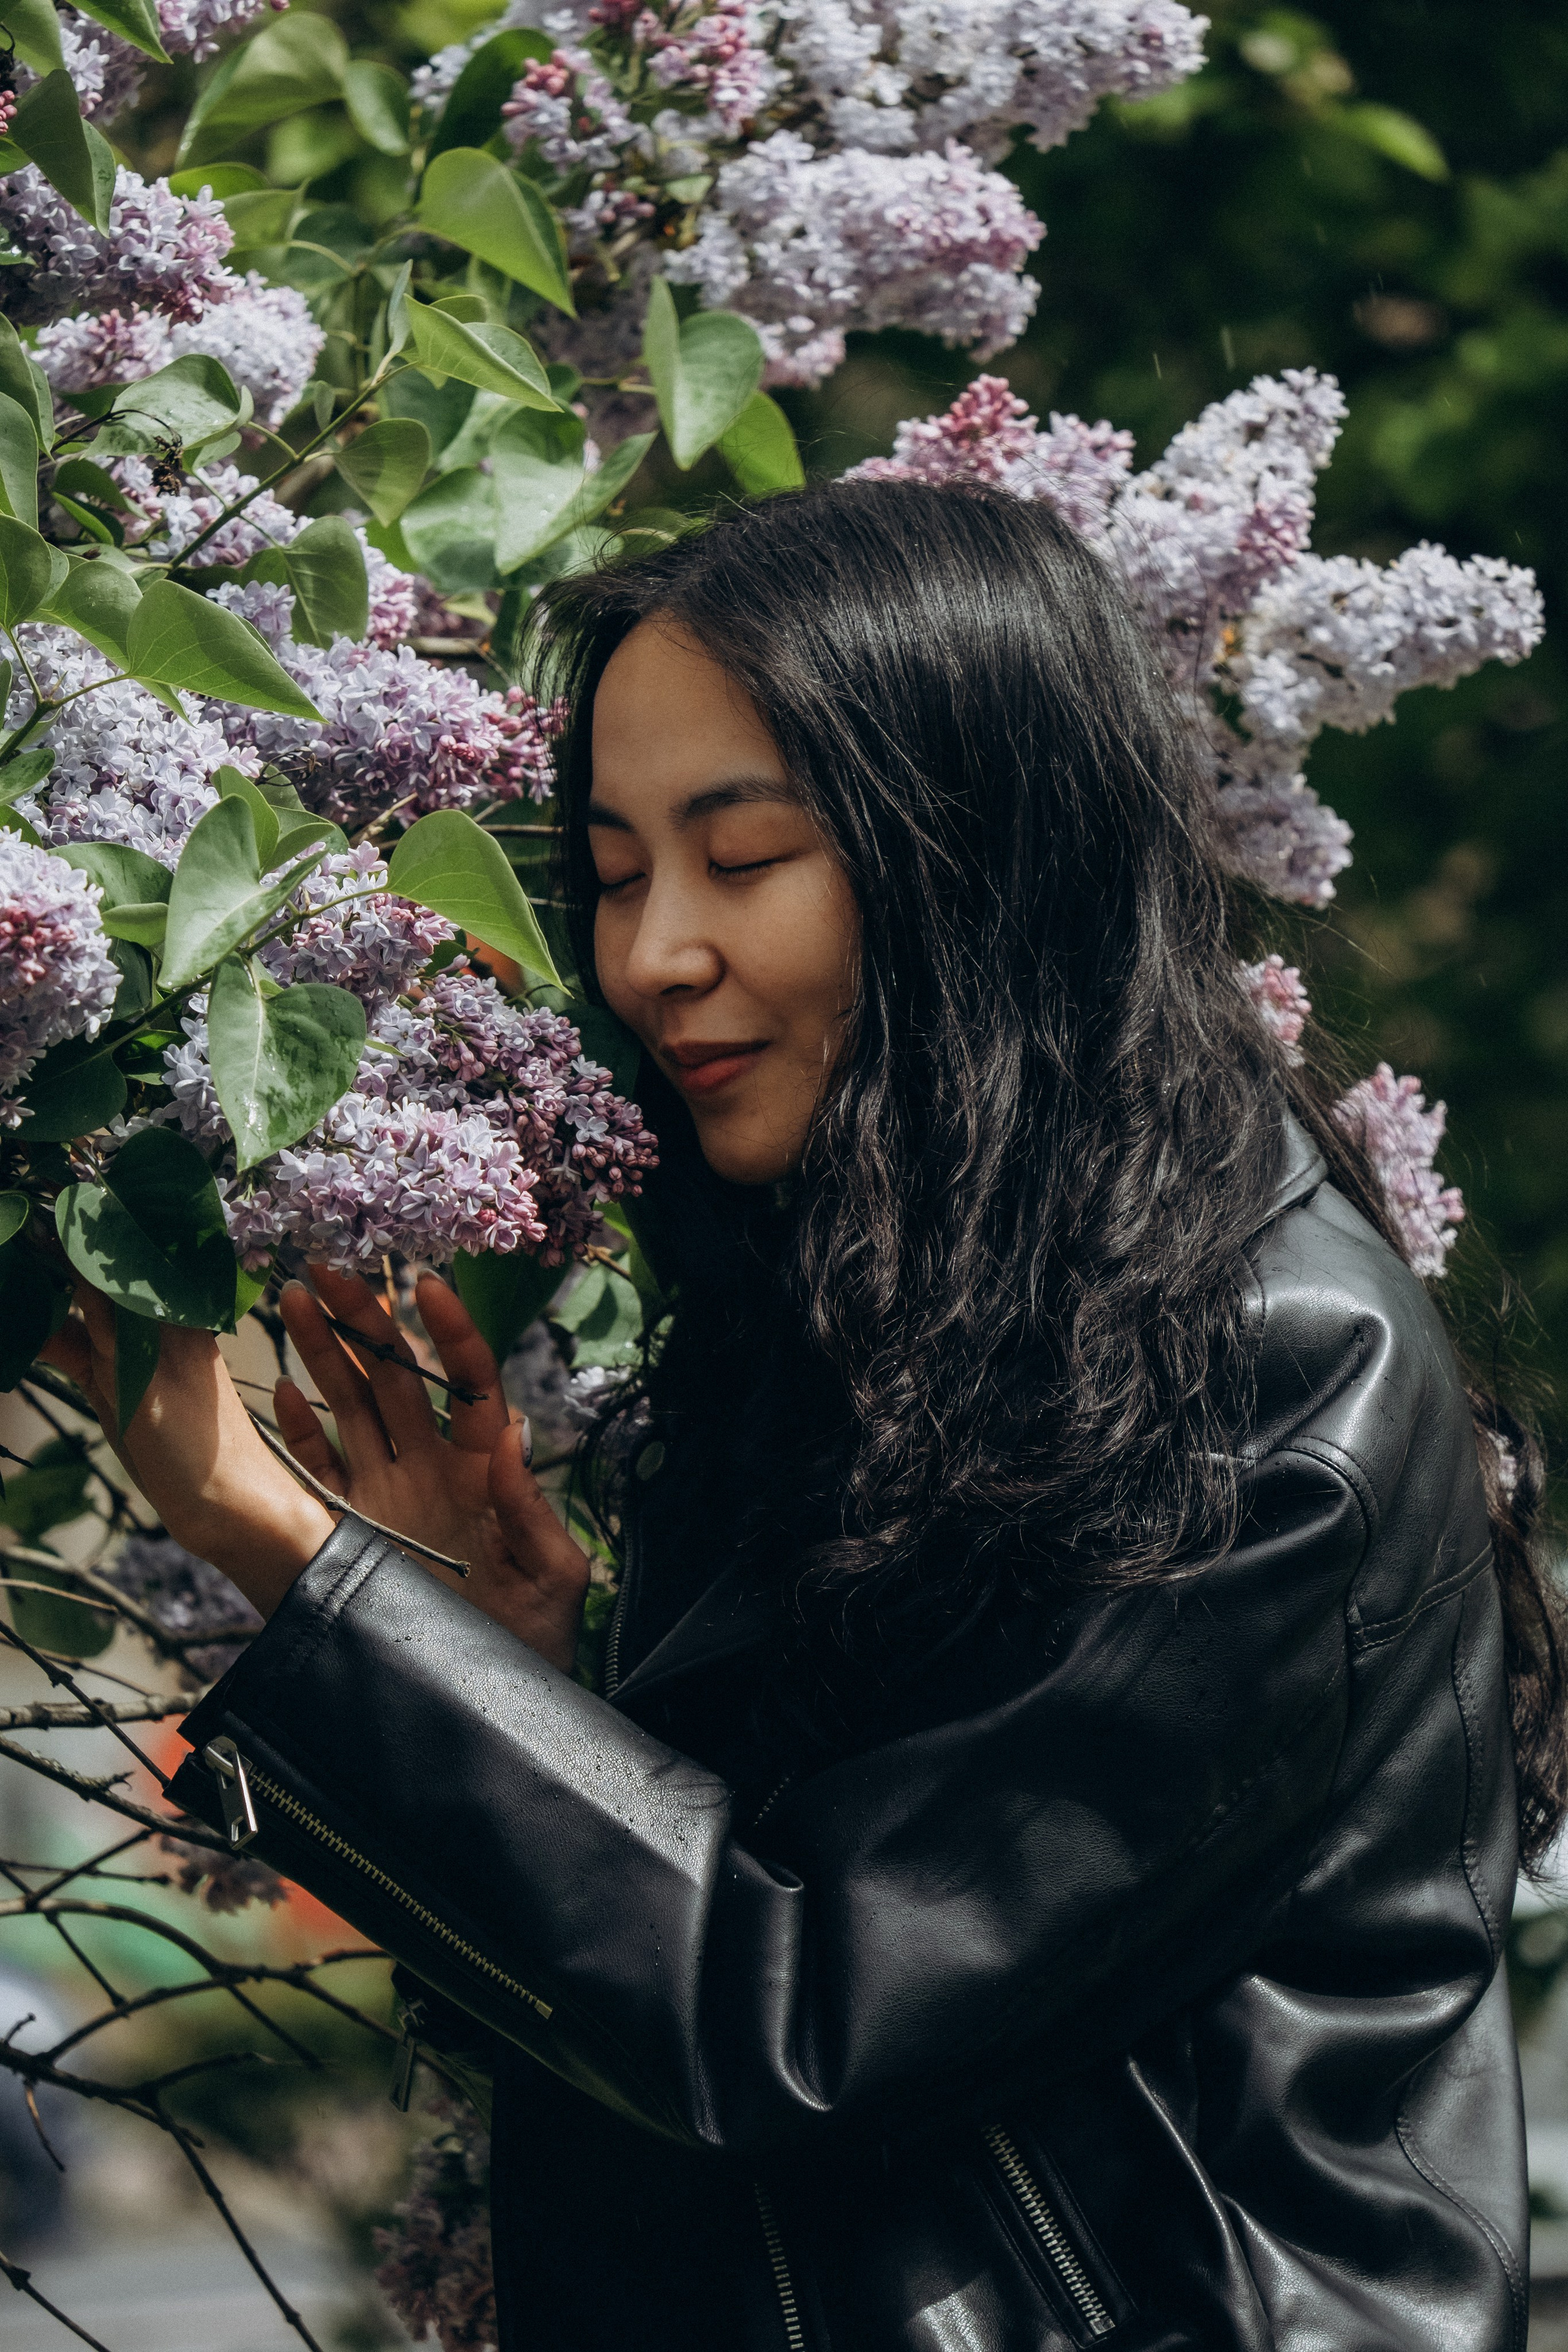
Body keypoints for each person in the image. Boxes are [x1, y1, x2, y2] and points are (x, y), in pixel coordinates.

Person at [47, 481, 1565, 2352]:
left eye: (741, 856)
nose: (651, 955)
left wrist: (292, 1556)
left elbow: (796, 2019)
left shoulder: (1261, 1367)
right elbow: (703, 1996)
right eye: (612, 873)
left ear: (981, 857)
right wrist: (513, 1680)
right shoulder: (896, 1304)